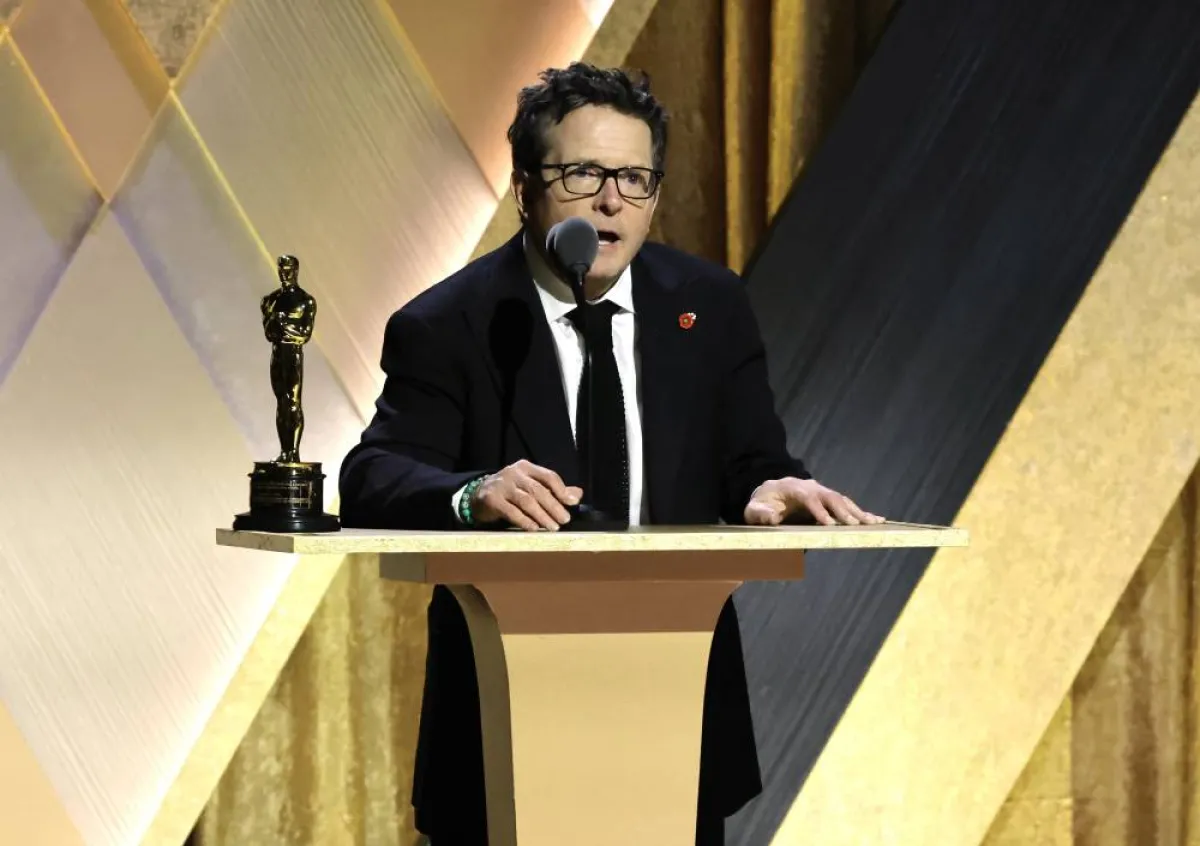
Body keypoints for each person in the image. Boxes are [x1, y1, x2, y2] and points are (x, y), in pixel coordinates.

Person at [338, 62, 883, 845]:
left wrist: (771, 486)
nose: (610, 201)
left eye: (634, 178)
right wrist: (472, 494)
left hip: (675, 719)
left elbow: (748, 459)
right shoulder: (451, 322)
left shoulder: (709, 306)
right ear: (525, 188)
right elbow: (372, 476)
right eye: (583, 173)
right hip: (505, 734)